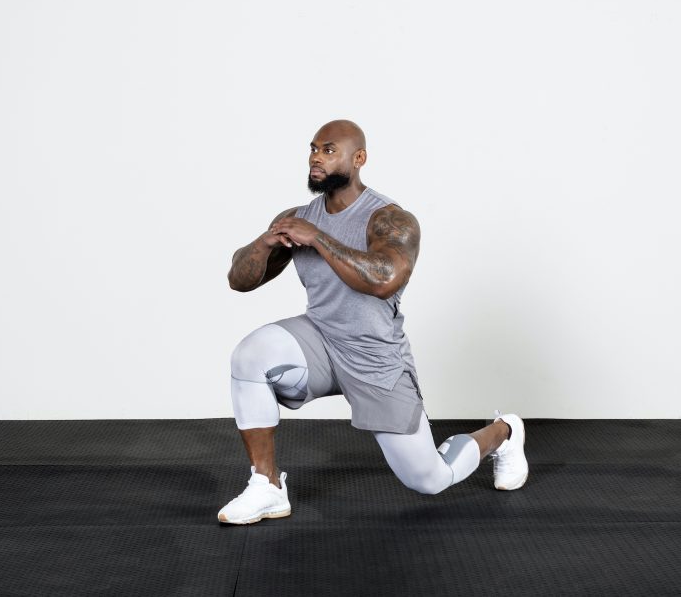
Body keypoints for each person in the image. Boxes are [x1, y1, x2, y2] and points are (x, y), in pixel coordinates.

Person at [218, 120, 528, 524]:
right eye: (313, 148)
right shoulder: (298, 218)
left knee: (430, 478)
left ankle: (504, 432)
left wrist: (319, 239)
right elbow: (238, 281)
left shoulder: (390, 219)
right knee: (250, 356)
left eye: (329, 150)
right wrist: (265, 242)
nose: (316, 156)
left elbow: (384, 280)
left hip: (373, 354)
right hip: (321, 340)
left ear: (358, 158)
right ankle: (267, 486)